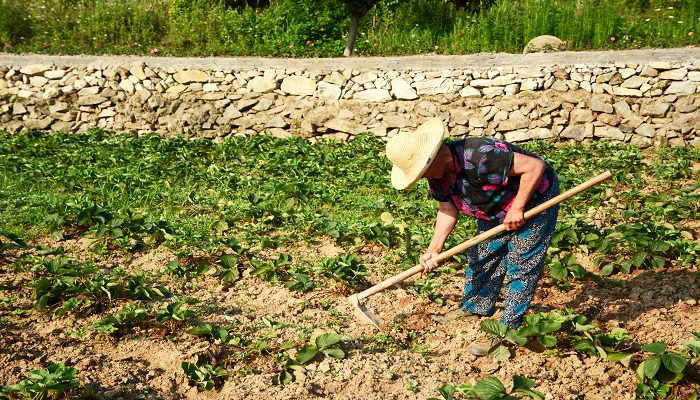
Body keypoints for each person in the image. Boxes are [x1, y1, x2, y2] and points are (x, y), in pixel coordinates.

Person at [385, 118, 559, 355]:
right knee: (482, 255)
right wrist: (434, 249)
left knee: (522, 263)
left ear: (433, 157)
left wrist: (518, 208)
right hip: (494, 209)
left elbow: (534, 167)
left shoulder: (479, 156)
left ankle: (506, 329)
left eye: (422, 171)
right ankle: (475, 306)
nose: (422, 177)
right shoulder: (438, 176)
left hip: (532, 200)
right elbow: (447, 209)